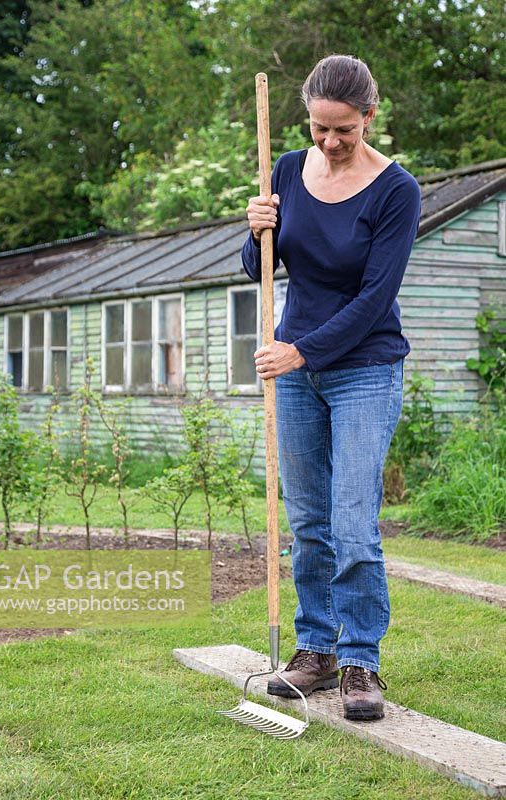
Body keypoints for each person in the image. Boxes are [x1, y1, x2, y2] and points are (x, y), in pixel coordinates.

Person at [241, 54, 421, 721]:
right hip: (296, 372)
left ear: (370, 117)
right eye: (319, 128)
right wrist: (255, 229)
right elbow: (262, 265)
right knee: (310, 521)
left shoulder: (396, 190)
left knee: (351, 522)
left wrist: (301, 351)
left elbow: (376, 299)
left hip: (364, 369)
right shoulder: (287, 169)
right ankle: (314, 650)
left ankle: (360, 661)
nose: (330, 141)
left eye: (343, 129)